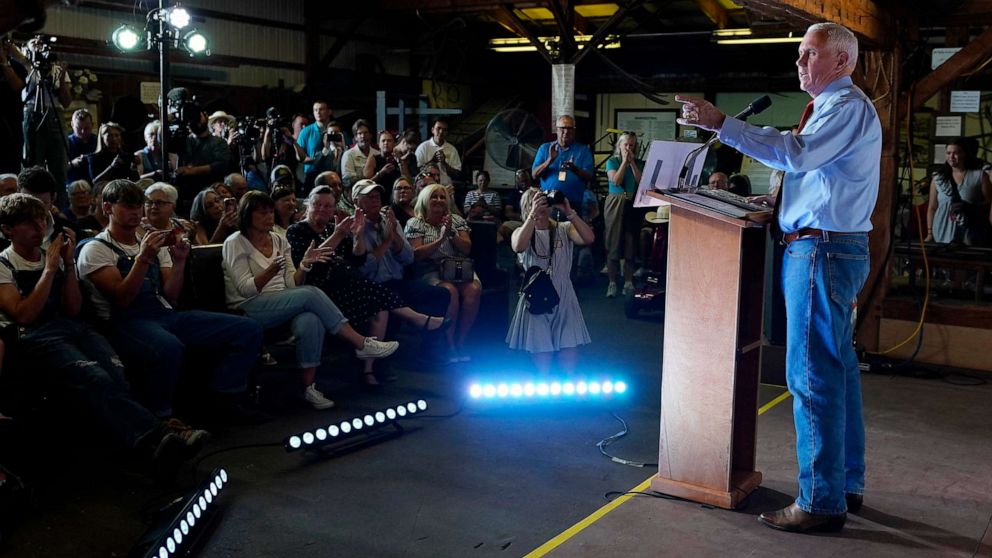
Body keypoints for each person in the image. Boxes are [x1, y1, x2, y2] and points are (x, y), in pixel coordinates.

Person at [677, 22, 881, 533]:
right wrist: (781, 202)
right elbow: (819, 175)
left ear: (841, 61)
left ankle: (820, 500)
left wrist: (723, 123)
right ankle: (843, 485)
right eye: (798, 53)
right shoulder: (835, 109)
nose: (799, 62)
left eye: (809, 54)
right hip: (827, 246)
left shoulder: (846, 106)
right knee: (836, 372)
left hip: (821, 252)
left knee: (811, 377)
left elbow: (796, 154)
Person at [0, 193, 205, 479]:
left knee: (116, 373)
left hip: (72, 326)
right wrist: (49, 269)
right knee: (94, 378)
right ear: (8, 229)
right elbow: (24, 314)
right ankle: (157, 435)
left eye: (40, 220)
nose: (38, 228)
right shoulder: (4, 264)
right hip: (36, 335)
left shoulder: (55, 257)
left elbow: (73, 307)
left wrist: (67, 264)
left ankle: (149, 445)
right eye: (27, 223)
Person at [76, 179, 264, 423]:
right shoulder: (96, 249)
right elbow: (122, 299)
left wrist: (180, 262)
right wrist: (142, 259)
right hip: (124, 321)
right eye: (127, 206)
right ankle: (161, 418)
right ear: (108, 208)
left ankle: (225, 397)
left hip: (164, 314)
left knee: (247, 329)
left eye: (137, 206)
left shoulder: (150, 241)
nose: (135, 212)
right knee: (168, 347)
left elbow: (171, 296)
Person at [222, 191, 398, 407]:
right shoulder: (235, 242)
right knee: (309, 293)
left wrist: (304, 264)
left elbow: (291, 284)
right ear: (248, 215)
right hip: (248, 307)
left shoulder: (278, 239)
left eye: (270, 212)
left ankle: (308, 388)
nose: (269, 217)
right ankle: (361, 342)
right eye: (262, 213)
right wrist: (271, 270)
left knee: (310, 318)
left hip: (282, 301)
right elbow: (245, 289)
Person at [287, 182, 447, 384]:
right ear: (307, 206)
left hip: (357, 283)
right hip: (322, 290)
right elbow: (313, 261)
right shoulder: (298, 231)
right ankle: (418, 320)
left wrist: (365, 236)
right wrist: (346, 234)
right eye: (317, 204)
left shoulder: (338, 227)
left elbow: (358, 259)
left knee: (387, 301)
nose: (323, 209)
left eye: (328, 206)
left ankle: (369, 369)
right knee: (369, 288)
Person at [507, 191, 594, 374]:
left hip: (564, 291)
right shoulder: (520, 232)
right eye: (535, 202)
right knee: (541, 346)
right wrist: (532, 216)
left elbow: (588, 238)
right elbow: (518, 246)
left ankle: (568, 386)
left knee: (569, 343)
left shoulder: (565, 228)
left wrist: (569, 212)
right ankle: (543, 383)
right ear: (526, 207)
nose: (541, 206)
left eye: (543, 202)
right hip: (536, 293)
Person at [405, 183, 481, 363]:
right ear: (425, 199)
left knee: (473, 290)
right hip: (432, 269)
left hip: (458, 268)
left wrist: (451, 234)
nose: (438, 200)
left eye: (442, 197)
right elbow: (418, 254)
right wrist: (440, 239)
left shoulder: (456, 220)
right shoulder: (416, 222)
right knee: (449, 292)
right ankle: (449, 345)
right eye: (434, 196)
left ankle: (460, 341)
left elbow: (467, 248)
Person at [20, 37, 71, 201]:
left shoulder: (55, 68)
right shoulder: (24, 66)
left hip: (54, 112)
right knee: (34, 162)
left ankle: (60, 203)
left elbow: (67, 101)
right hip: (31, 112)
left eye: (41, 44)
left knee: (59, 165)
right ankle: (32, 201)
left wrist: (61, 78)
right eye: (33, 43)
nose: (38, 47)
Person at [926, 138, 992, 245]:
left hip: (970, 233)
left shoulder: (979, 176)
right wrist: (930, 233)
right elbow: (932, 207)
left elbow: (989, 203)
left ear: (965, 154)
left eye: (956, 153)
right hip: (942, 231)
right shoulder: (938, 178)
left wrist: (970, 208)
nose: (951, 157)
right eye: (948, 153)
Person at [604, 132, 644, 298]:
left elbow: (641, 181)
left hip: (632, 203)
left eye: (632, 145)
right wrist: (624, 163)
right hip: (616, 202)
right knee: (613, 244)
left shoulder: (640, 163)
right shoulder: (612, 162)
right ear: (619, 146)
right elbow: (616, 181)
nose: (629, 148)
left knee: (630, 243)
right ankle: (612, 282)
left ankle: (628, 281)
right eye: (626, 144)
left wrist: (632, 163)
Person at [531, 115, 594, 210]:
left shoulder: (583, 150)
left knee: (573, 225)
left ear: (574, 130)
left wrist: (575, 169)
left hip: (574, 203)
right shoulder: (545, 148)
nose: (566, 131)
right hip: (549, 202)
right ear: (557, 130)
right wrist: (549, 160)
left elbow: (589, 176)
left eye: (570, 128)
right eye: (563, 128)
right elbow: (534, 175)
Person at [296, 102, 343, 188]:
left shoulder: (338, 130)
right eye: (315, 110)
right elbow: (300, 157)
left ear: (329, 111)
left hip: (335, 176)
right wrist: (319, 160)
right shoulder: (305, 132)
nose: (318, 112)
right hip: (312, 176)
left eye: (321, 109)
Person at [415, 117, 461, 186]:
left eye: (444, 130)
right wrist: (432, 161)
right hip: (426, 187)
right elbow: (416, 172)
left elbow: (457, 174)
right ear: (432, 130)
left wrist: (444, 163)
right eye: (438, 128)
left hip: (445, 188)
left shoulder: (452, 149)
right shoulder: (423, 147)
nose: (441, 132)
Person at [364, 130, 409, 198]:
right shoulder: (373, 159)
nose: (386, 143)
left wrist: (400, 163)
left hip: (396, 196)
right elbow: (366, 183)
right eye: (383, 141)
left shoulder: (399, 159)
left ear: (394, 144)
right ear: (379, 144)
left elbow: (408, 180)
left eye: (389, 141)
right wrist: (381, 173)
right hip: (378, 195)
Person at [341, 119, 379, 192]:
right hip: (356, 193)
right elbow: (347, 181)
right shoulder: (349, 155)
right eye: (359, 133)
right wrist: (366, 176)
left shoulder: (377, 154)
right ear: (355, 137)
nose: (363, 136)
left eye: (365, 133)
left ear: (371, 135)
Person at [66, 108, 97, 186]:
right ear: (72, 125)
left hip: (95, 183)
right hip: (73, 184)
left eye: (86, 128)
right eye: (79, 128)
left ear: (92, 125)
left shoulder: (98, 141)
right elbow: (57, 169)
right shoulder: (66, 142)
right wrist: (72, 164)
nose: (83, 132)